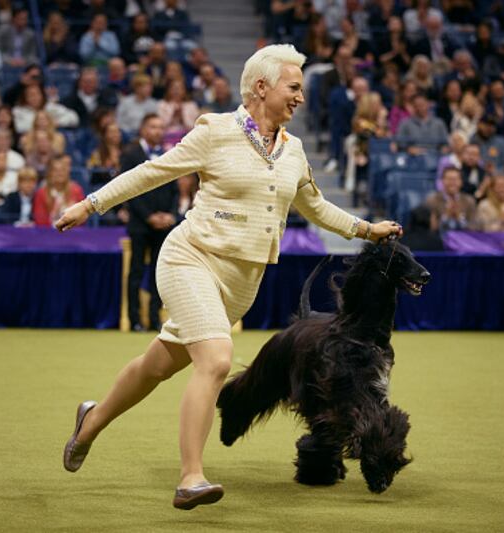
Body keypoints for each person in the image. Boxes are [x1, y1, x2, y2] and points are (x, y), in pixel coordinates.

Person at [53, 44, 403, 510]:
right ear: (262, 86)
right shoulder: (215, 131)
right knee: (217, 360)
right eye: (294, 87)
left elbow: (315, 206)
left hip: (239, 286)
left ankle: (91, 422)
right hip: (189, 259)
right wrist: (90, 204)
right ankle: (191, 476)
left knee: (157, 365)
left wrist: (365, 228)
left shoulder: (294, 150)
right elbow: (152, 172)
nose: (301, 97)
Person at [121, 114, 179, 332]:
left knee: (159, 273)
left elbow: (175, 188)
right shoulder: (131, 154)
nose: (157, 130)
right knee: (136, 271)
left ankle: (155, 318)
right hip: (139, 224)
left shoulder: (169, 154)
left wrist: (171, 214)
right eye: (153, 126)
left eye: (160, 127)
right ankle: (134, 319)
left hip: (164, 225)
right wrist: (149, 217)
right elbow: (128, 189)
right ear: (143, 129)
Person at [32, 155, 85, 226]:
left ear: (67, 172)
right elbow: (39, 221)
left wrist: (73, 215)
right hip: (48, 234)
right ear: (50, 173)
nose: (60, 173)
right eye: (56, 170)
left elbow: (83, 219)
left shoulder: (76, 191)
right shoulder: (41, 193)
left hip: (72, 233)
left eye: (63, 170)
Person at [424, 166, 477, 231]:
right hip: (439, 239)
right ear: (442, 181)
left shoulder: (469, 201)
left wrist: (460, 218)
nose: (452, 183)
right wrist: (446, 216)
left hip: (463, 239)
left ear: (461, 182)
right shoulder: (432, 200)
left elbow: (474, 227)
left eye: (455, 179)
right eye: (449, 179)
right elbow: (430, 228)